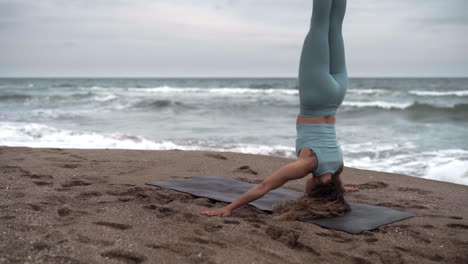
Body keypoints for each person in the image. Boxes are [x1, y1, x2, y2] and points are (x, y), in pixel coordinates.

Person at [202, 0, 358, 218]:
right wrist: (228, 208)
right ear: (313, 191)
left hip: (338, 94)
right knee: (319, 25)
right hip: (316, 95)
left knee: (335, 27)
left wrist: (341, 190)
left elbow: (337, 181)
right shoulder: (308, 164)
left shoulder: (337, 165)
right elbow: (265, 186)